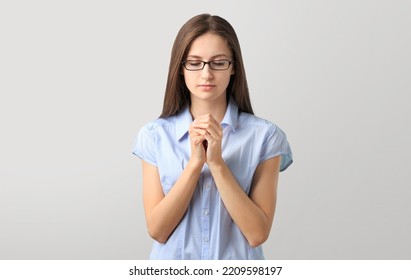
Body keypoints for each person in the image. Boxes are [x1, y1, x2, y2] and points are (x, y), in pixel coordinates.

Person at [132, 13, 293, 260]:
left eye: (218, 63)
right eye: (195, 63)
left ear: (234, 67)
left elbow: (257, 233)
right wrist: (196, 164)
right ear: (180, 68)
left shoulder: (265, 136)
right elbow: (157, 230)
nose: (206, 74)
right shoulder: (154, 136)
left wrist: (217, 164)